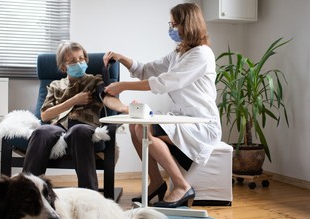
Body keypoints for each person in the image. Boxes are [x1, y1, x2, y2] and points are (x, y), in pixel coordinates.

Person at [103, 3, 221, 208]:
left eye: (175, 24)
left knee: (143, 128)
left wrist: (122, 86)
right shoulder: (178, 53)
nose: (171, 29)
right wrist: (121, 58)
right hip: (182, 119)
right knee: (135, 125)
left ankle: (182, 186)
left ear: (188, 24)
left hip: (202, 123)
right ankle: (156, 182)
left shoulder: (201, 55)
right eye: (171, 24)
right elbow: (148, 69)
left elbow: (164, 82)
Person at [23, 41, 128, 190]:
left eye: (81, 58)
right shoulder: (55, 85)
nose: (78, 63)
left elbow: (107, 98)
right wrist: (74, 101)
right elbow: (45, 115)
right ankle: (26, 190)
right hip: (58, 125)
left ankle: (89, 193)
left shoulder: (95, 80)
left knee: (78, 130)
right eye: (72, 61)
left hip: (84, 125)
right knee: (41, 131)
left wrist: (124, 108)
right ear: (63, 67)